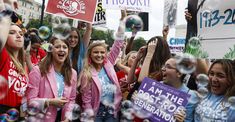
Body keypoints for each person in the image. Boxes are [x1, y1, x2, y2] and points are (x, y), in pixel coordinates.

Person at [79, 21, 125, 121]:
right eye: (95, 52)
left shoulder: (108, 63)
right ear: (90, 54)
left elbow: (117, 44)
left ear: (106, 54)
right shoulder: (86, 73)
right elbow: (86, 100)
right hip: (96, 112)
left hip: (112, 109)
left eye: (102, 52)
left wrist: (122, 22)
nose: (99, 55)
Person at [26, 37, 77, 121]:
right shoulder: (38, 71)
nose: (61, 50)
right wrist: (49, 102)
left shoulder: (73, 73)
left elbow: (71, 99)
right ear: (50, 50)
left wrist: (67, 118)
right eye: (57, 47)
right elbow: (30, 101)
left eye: (65, 47)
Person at [0, 24, 28, 119]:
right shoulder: (3, 57)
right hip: (2, 112)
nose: (19, 35)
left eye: (21, 34)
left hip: (18, 114)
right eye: (12, 33)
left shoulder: (23, 66)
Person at [161, 57, 197, 122]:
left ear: (179, 73)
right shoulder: (156, 86)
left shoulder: (191, 96)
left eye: (168, 67)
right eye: (163, 66)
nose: (162, 69)